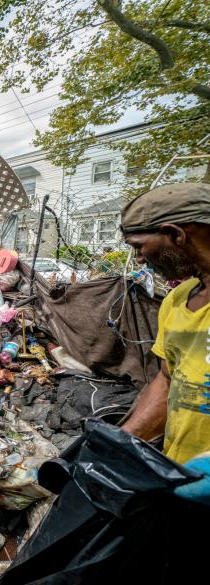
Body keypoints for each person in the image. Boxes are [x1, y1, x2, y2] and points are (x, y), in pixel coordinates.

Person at [120, 182, 210, 503]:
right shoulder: (177, 300)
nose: (139, 259)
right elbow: (168, 379)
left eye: (139, 246)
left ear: (175, 235)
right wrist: (121, 443)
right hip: (178, 477)